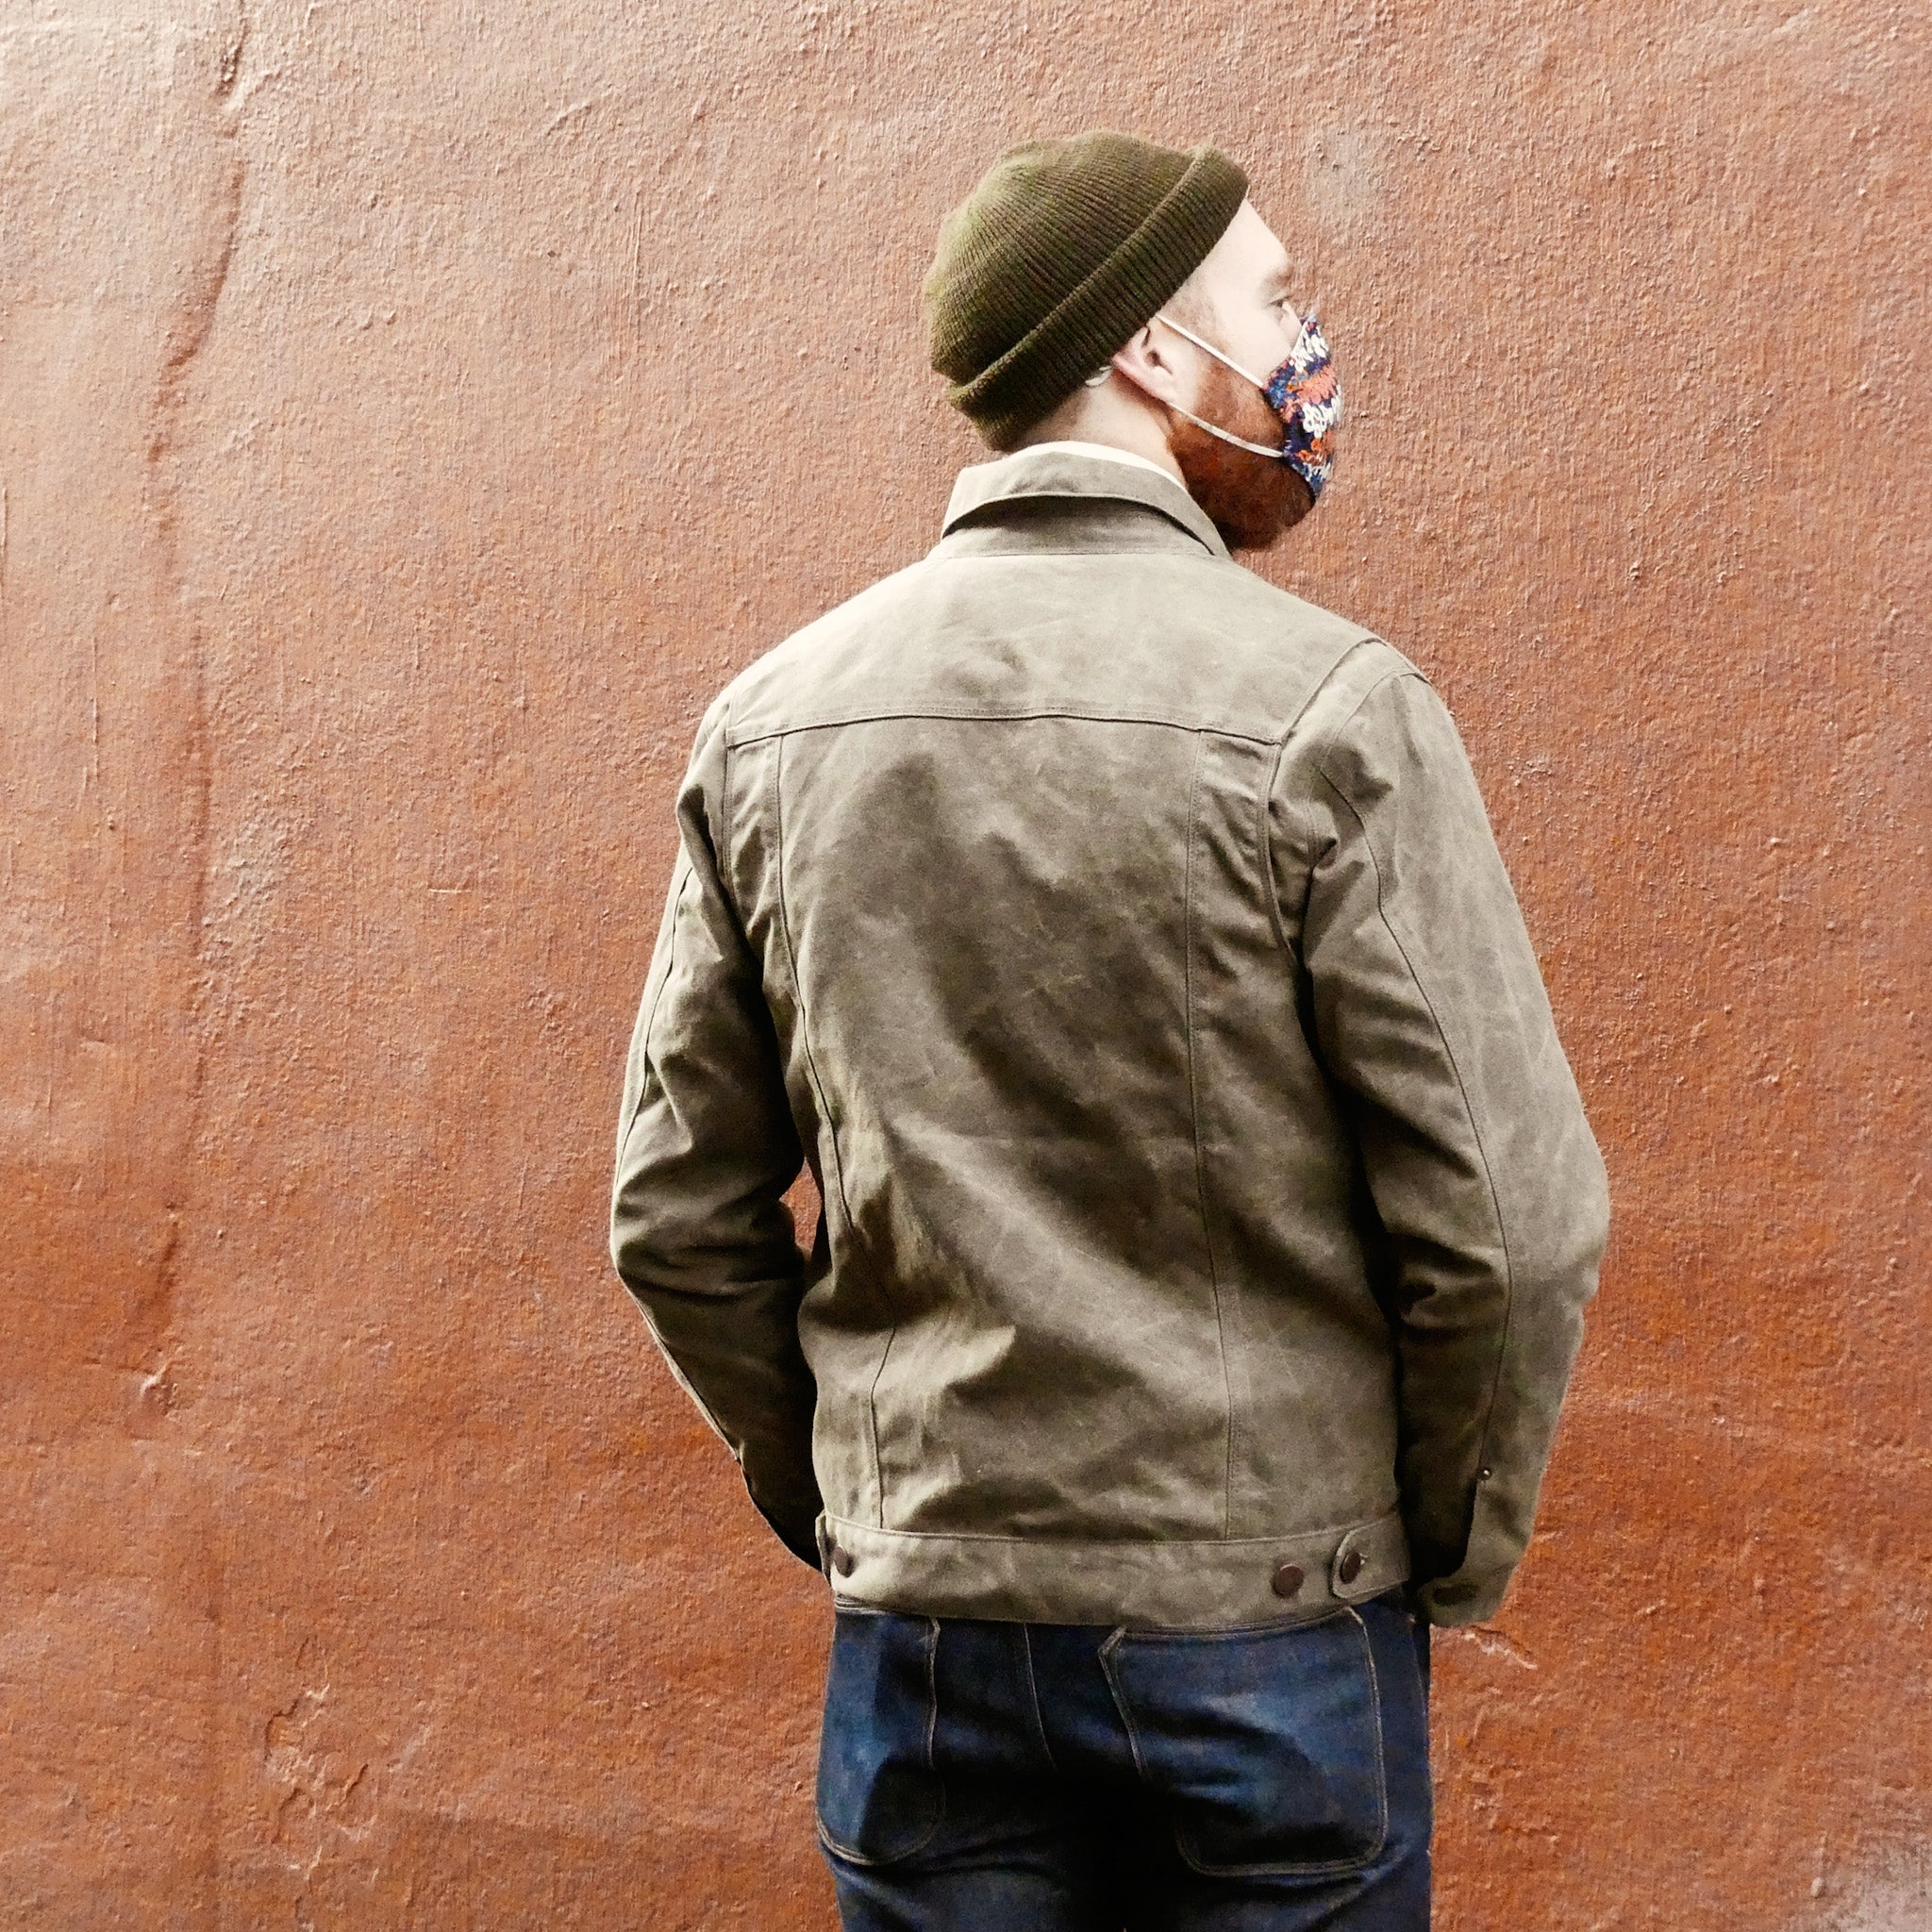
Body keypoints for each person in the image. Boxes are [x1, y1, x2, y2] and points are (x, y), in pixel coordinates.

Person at [609, 130, 1609, 1930]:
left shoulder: (769, 728)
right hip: (1279, 1640)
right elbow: (1513, 1227)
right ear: (1154, 349)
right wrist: (1437, 1553)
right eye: (1277, 301)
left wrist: (872, 1511)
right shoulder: (1329, 709)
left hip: (929, 1639)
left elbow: (676, 1218)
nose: (1305, 349)